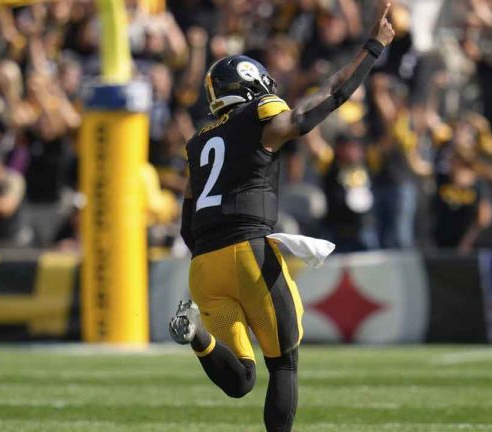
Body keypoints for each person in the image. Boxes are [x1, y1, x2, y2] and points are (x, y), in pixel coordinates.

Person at [167, 2, 395, 431]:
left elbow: (187, 219)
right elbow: (322, 104)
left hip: (202, 267)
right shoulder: (261, 114)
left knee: (241, 381)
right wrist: (373, 49)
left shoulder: (198, 142)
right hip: (249, 252)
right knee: (284, 367)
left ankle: (197, 335)